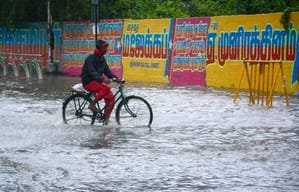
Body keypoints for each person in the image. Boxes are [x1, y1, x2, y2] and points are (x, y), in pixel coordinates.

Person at [81, 39, 119, 124]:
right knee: (105, 88)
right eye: (104, 47)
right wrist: (103, 79)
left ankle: (106, 120)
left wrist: (117, 78)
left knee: (111, 98)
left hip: (97, 82)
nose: (106, 49)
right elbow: (92, 72)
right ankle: (92, 104)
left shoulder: (102, 59)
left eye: (106, 47)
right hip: (88, 82)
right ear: (99, 48)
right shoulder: (90, 58)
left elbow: (108, 72)